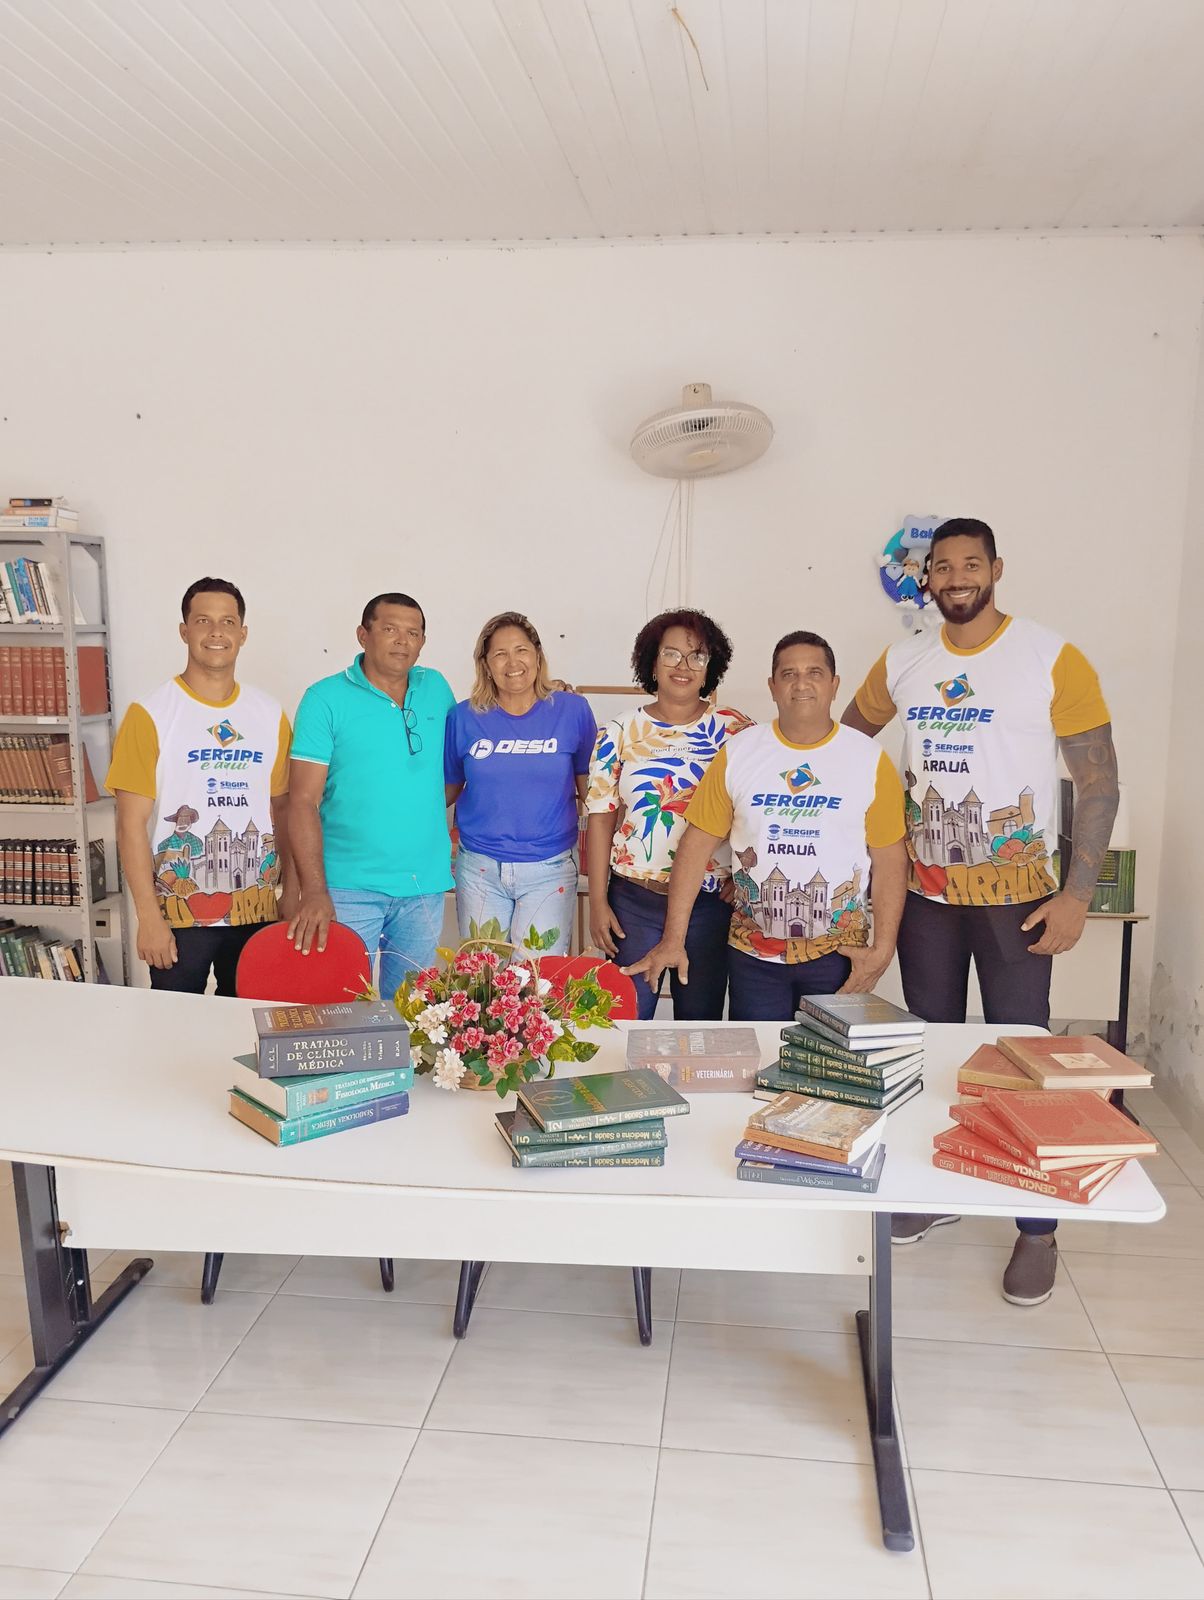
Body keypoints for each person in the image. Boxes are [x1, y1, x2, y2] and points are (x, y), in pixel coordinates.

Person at [843, 517, 1119, 1308]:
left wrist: (1077, 895)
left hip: (1019, 901)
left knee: (1025, 1061)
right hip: (925, 900)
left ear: (996, 569)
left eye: (971, 563)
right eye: (942, 566)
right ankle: (940, 1190)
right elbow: (844, 748)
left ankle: (1037, 1228)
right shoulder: (903, 660)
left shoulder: (1049, 657)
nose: (956, 577)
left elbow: (1099, 781)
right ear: (925, 578)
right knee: (931, 1050)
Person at [626, 631, 908, 1019]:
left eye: (814, 673)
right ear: (773, 687)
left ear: (834, 684)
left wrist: (883, 948)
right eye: (789, 674)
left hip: (838, 955)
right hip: (753, 958)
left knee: (829, 1058)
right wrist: (674, 938)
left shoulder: (869, 759)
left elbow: (890, 859)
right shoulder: (739, 753)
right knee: (761, 1057)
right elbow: (695, 845)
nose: (801, 683)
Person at [107, 577, 293, 993]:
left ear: (243, 634)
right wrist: (148, 918)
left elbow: (283, 810)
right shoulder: (150, 714)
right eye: (203, 620)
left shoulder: (269, 714)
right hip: (178, 916)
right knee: (175, 1023)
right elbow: (129, 824)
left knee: (250, 1022)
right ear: (184, 630)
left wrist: (291, 891)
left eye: (228, 622)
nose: (216, 632)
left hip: (257, 910)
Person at [585, 609, 753, 1020]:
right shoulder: (618, 732)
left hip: (708, 905)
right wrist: (598, 901)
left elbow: (759, 813)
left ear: (711, 666)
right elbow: (601, 818)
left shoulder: (737, 731)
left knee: (699, 1023)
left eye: (697, 656)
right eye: (672, 654)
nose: (684, 666)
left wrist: (744, 877)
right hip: (634, 902)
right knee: (624, 1019)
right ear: (652, 661)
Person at [287, 593, 455, 1001]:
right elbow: (302, 801)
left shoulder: (436, 688)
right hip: (347, 888)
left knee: (414, 1014)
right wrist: (313, 890)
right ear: (363, 635)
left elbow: (461, 764)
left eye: (413, 632)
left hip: (423, 887)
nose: (402, 641)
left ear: (423, 642)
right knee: (340, 1008)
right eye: (390, 629)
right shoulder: (324, 698)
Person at [444, 611, 597, 953]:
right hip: (480, 868)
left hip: (550, 868)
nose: (512, 663)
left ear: (538, 655)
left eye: (521, 650)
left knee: (536, 978)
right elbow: (448, 789)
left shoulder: (573, 711)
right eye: (500, 654)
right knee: (481, 978)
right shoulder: (463, 717)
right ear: (485, 664)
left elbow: (591, 788)